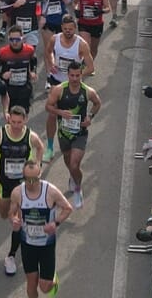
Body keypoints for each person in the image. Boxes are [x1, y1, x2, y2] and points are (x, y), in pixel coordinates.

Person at [0, 106, 47, 277]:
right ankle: (14, 221)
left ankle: (11, 256)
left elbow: (40, 148)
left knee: (18, 222)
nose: (17, 125)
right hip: (4, 183)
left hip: (23, 185)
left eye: (20, 122)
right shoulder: (0, 135)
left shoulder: (30, 136)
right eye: (13, 122)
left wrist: (37, 166)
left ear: (25, 120)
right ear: (9, 120)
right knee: (4, 214)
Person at [8, 159, 73, 298]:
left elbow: (68, 208)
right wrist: (13, 220)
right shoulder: (17, 193)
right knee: (31, 283)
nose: (31, 183)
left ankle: (52, 280)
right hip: (28, 244)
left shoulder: (51, 191)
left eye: (35, 179)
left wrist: (55, 223)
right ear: (23, 177)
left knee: (45, 287)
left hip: (46, 245)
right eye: (28, 180)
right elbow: (11, 212)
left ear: (40, 174)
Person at [45, 62, 101, 208]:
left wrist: (90, 116)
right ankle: (73, 176)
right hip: (64, 133)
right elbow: (48, 106)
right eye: (72, 75)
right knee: (68, 161)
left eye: (77, 75)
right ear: (68, 75)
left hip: (80, 133)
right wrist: (60, 112)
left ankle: (77, 188)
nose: (75, 79)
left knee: (74, 164)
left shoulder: (87, 91)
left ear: (81, 74)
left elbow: (97, 103)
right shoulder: (59, 90)